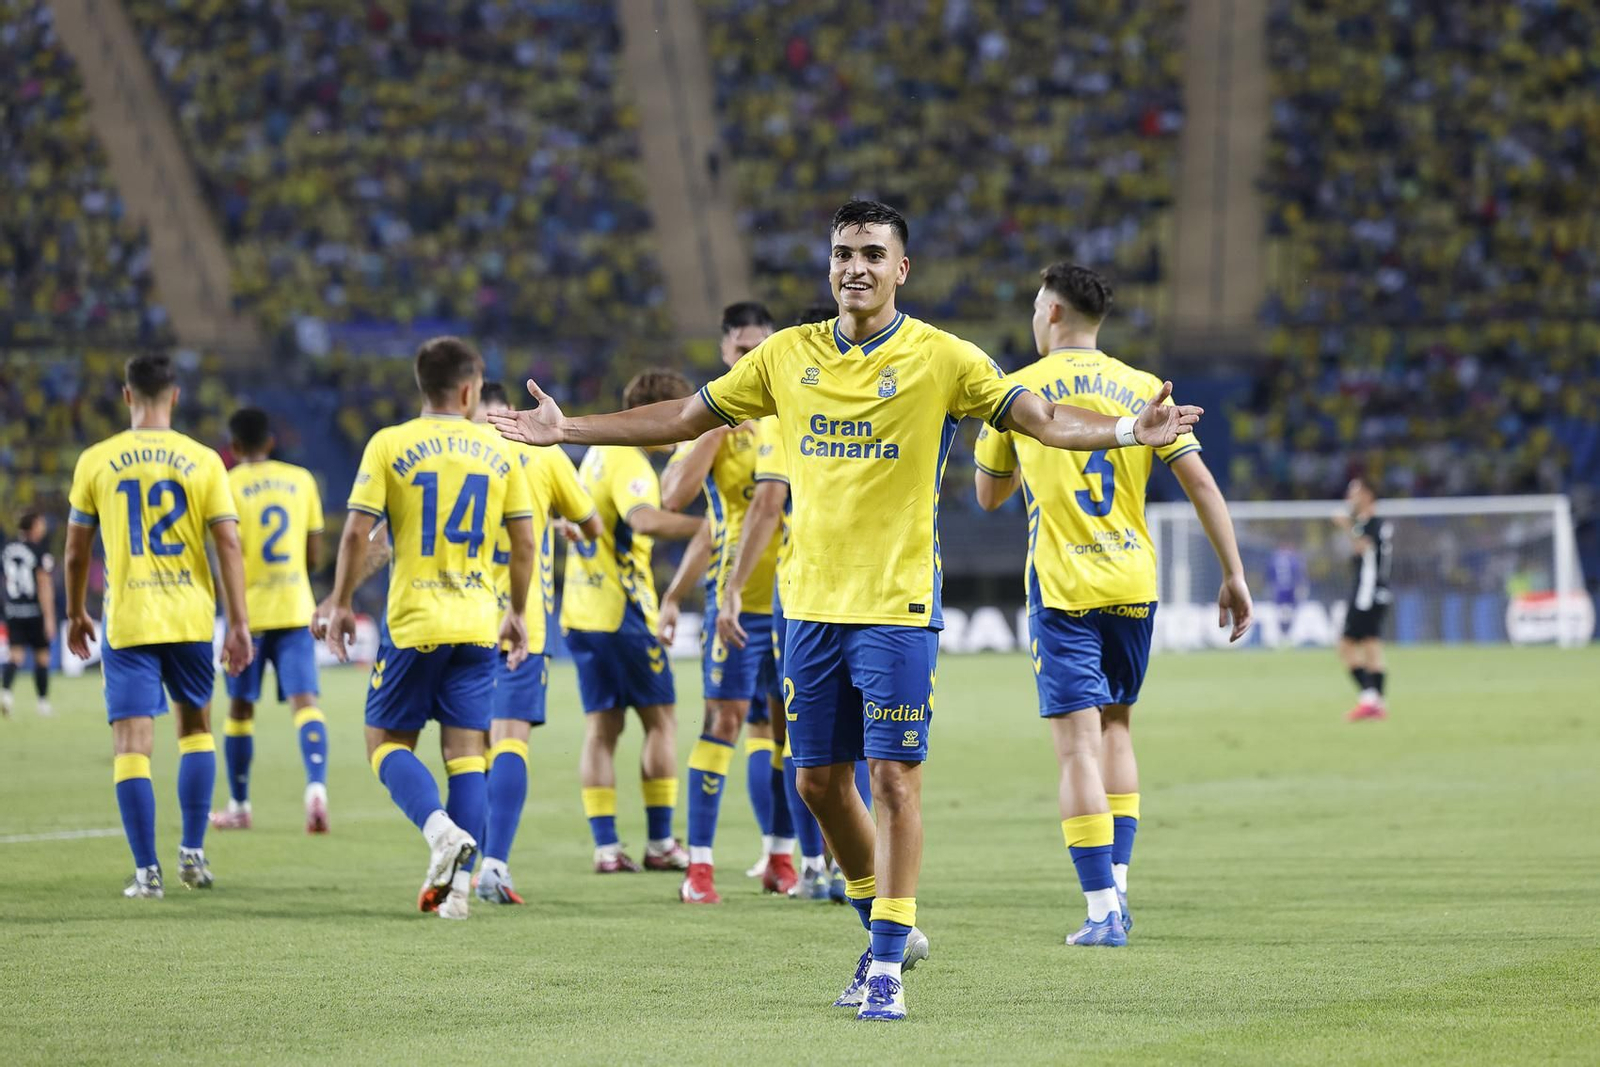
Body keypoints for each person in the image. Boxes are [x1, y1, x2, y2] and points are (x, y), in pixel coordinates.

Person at [489, 200, 1202, 1022]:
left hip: (897, 602)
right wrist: (570, 428)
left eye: (871, 252)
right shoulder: (787, 356)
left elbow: (1039, 418)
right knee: (819, 783)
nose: (854, 266)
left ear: (901, 268)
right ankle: (885, 924)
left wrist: (1126, 429)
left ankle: (887, 964)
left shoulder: (943, 356)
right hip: (809, 605)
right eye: (842, 253)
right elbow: (687, 415)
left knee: (892, 779)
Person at [974, 263, 1253, 947]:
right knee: (1118, 728)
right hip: (1132, 581)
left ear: (1052, 312)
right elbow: (1202, 483)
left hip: (1064, 586)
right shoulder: (1142, 387)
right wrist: (1233, 572)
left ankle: (1101, 910)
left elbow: (988, 495)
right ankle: (1118, 886)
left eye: (1036, 307)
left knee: (1077, 747)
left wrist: (1018, 456)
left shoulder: (1017, 390)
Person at [323, 337, 535, 920]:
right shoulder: (499, 452)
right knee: (467, 755)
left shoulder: (389, 444)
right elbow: (523, 543)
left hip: (415, 621)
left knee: (384, 744)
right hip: (478, 622)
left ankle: (441, 833)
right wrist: (517, 611)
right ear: (468, 391)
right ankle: (458, 893)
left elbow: (357, 533)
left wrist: (340, 601)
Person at [63, 354, 253, 898]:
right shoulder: (204, 461)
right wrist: (239, 622)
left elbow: (75, 551)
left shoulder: (96, 460)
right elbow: (228, 543)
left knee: (132, 745)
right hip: (190, 617)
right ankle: (193, 854)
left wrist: (76, 612)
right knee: (196, 730)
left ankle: (147, 873)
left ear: (127, 396)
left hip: (129, 619)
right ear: (174, 396)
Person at [713, 302, 870, 904]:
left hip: (804, 591)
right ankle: (857, 873)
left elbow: (767, 501)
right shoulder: (878, 402)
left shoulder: (789, 411)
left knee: (799, 737)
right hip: (876, 588)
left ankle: (812, 865)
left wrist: (732, 586)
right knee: (866, 744)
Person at [656, 301, 798, 903]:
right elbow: (673, 497)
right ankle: (700, 868)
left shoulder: (794, 411)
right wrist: (714, 428)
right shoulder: (713, 414)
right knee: (725, 721)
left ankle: (780, 858)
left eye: (761, 348)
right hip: (734, 605)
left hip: (797, 600)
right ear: (724, 352)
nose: (751, 358)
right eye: (741, 350)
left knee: (786, 731)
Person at [560, 370, 704, 875]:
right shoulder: (628, 458)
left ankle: (606, 849)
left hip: (581, 611)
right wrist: (709, 527)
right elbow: (642, 518)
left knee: (601, 729)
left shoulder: (596, 456)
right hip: (622, 614)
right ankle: (661, 842)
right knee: (661, 721)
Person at [472, 383, 602, 904]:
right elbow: (592, 527)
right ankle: (494, 865)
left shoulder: (462, 452)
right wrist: (563, 525)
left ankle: (460, 858)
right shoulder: (543, 455)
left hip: (464, 618)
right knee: (510, 741)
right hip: (523, 620)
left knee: (469, 748)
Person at [209, 408, 330, 833]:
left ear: (234, 446)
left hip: (249, 615)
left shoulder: (227, 484)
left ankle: (240, 805)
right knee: (306, 704)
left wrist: (232, 617)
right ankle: (316, 788)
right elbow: (314, 555)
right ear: (271, 441)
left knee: (240, 709)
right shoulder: (302, 480)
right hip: (296, 609)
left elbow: (225, 554)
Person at [1335, 478, 1393, 721]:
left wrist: (1346, 525)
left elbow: (1363, 548)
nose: (1350, 497)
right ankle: (1376, 703)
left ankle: (1370, 699)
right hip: (1376, 591)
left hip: (1367, 593)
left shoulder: (1372, 523)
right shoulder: (1373, 524)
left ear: (1368, 495)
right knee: (1371, 645)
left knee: (1346, 645)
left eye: (1355, 492)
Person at [2, 511, 56, 718]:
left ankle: (6, 694)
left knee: (15, 655)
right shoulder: (39, 550)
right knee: (42, 657)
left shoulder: (7, 548)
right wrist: (49, 618)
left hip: (14, 610)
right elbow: (43, 584)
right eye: (40, 524)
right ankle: (42, 703)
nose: (43, 527)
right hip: (35, 612)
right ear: (33, 527)